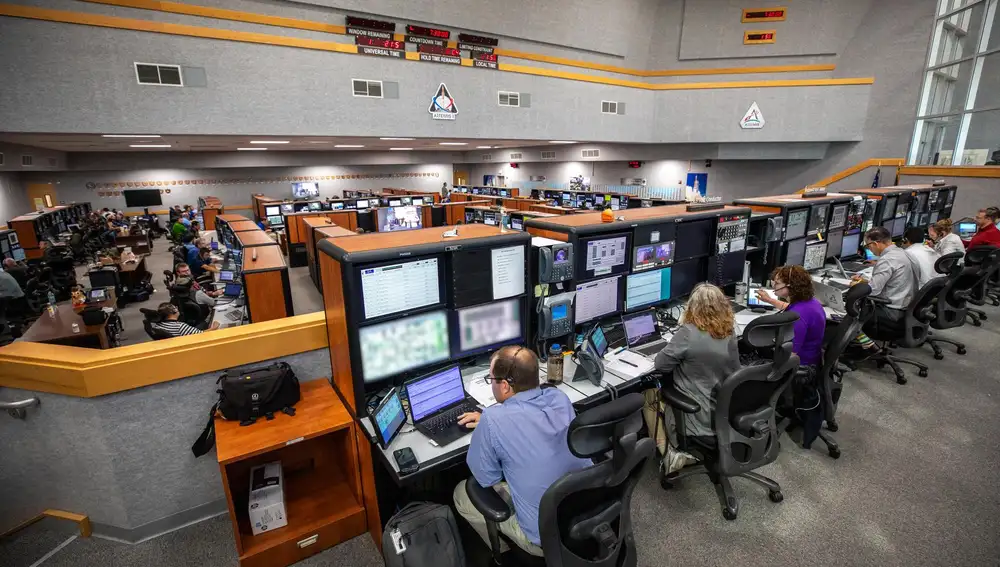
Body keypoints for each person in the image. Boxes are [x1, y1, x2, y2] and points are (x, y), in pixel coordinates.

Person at [453, 346, 590, 556]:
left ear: (505, 386)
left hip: (547, 538)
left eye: (491, 380)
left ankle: (506, 554)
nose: (492, 385)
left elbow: (487, 478)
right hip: (589, 512)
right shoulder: (558, 397)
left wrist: (489, 426)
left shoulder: (492, 420)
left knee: (461, 493)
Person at [655, 283, 740, 441]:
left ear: (692, 307)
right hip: (723, 414)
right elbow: (736, 369)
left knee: (649, 395)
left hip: (697, 417)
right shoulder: (730, 330)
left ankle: (669, 451)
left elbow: (660, 365)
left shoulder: (688, 332)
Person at [754, 265, 826, 366]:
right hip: (812, 358)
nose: (774, 286)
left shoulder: (797, 317)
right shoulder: (810, 302)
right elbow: (789, 306)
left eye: (777, 283)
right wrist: (769, 300)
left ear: (790, 286)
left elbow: (791, 355)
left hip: (800, 365)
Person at [855, 226, 918, 334]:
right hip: (908, 310)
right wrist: (864, 281)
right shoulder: (905, 253)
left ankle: (862, 341)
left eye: (868, 246)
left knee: (851, 307)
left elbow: (873, 291)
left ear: (876, 244)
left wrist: (855, 287)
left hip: (892, 312)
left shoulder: (887, 260)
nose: (868, 249)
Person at [151, 302, 219, 337]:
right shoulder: (180, 326)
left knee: (202, 324)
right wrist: (214, 327)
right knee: (206, 323)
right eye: (175, 307)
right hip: (191, 341)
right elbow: (201, 335)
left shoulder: (157, 325)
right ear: (173, 312)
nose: (177, 308)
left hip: (177, 343)